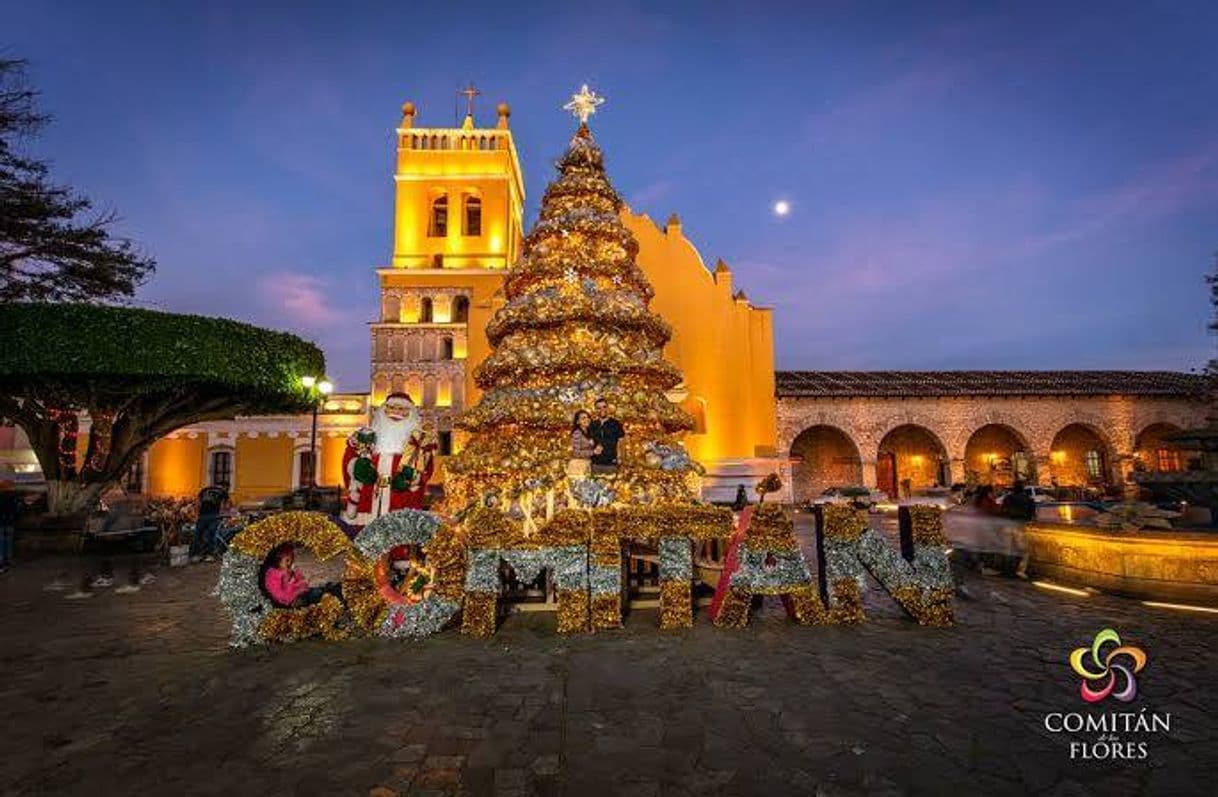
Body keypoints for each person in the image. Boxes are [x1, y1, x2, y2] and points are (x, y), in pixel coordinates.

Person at [262, 544, 342, 608]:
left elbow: (299, 578)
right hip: (291, 599)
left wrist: (302, 581)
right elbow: (281, 595)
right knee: (312, 597)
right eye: (287, 561)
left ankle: (330, 590)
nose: (290, 563)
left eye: (291, 559)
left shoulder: (287, 569)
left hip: (301, 590)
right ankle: (328, 596)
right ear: (277, 562)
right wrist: (290, 582)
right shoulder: (272, 578)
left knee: (315, 590)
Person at [191, 486, 228, 562]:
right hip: (213, 515)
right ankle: (210, 555)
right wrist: (222, 513)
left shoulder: (205, 489)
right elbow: (225, 504)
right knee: (211, 535)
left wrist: (196, 514)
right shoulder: (223, 491)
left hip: (202, 515)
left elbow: (198, 502)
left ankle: (197, 555)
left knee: (198, 535)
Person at [588, 398, 625, 474]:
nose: (602, 409)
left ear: (607, 408)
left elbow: (621, 442)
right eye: (599, 408)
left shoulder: (616, 424)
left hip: (611, 464)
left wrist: (620, 458)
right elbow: (589, 443)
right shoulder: (592, 425)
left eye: (604, 407)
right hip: (595, 464)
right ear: (595, 410)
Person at [568, 410, 598, 479]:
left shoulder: (589, 432)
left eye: (587, 417)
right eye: (583, 418)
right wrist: (593, 452)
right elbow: (576, 453)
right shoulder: (577, 433)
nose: (586, 419)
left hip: (587, 464)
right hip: (578, 466)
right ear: (578, 422)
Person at [0, 480, 21, 573]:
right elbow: (17, 508)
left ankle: (2, 562)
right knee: (8, 542)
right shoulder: (13, 496)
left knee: (1, 543)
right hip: (9, 521)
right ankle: (8, 561)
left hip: (1, 522)